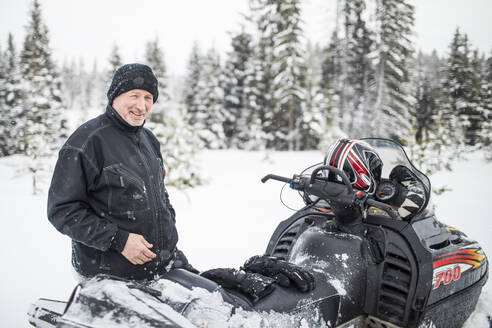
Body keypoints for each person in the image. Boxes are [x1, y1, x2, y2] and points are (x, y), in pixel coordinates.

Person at [47, 63, 195, 281]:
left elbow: (158, 195)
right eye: (134, 95)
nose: (141, 105)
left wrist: (168, 237)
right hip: (110, 276)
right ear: (115, 97)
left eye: (148, 98)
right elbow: (63, 210)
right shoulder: (87, 140)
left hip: (162, 265)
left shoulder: (149, 140)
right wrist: (118, 239)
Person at [323, 138, 426, 220]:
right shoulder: (362, 208)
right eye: (373, 168)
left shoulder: (319, 194)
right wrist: (414, 185)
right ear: (360, 171)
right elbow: (401, 216)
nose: (375, 174)